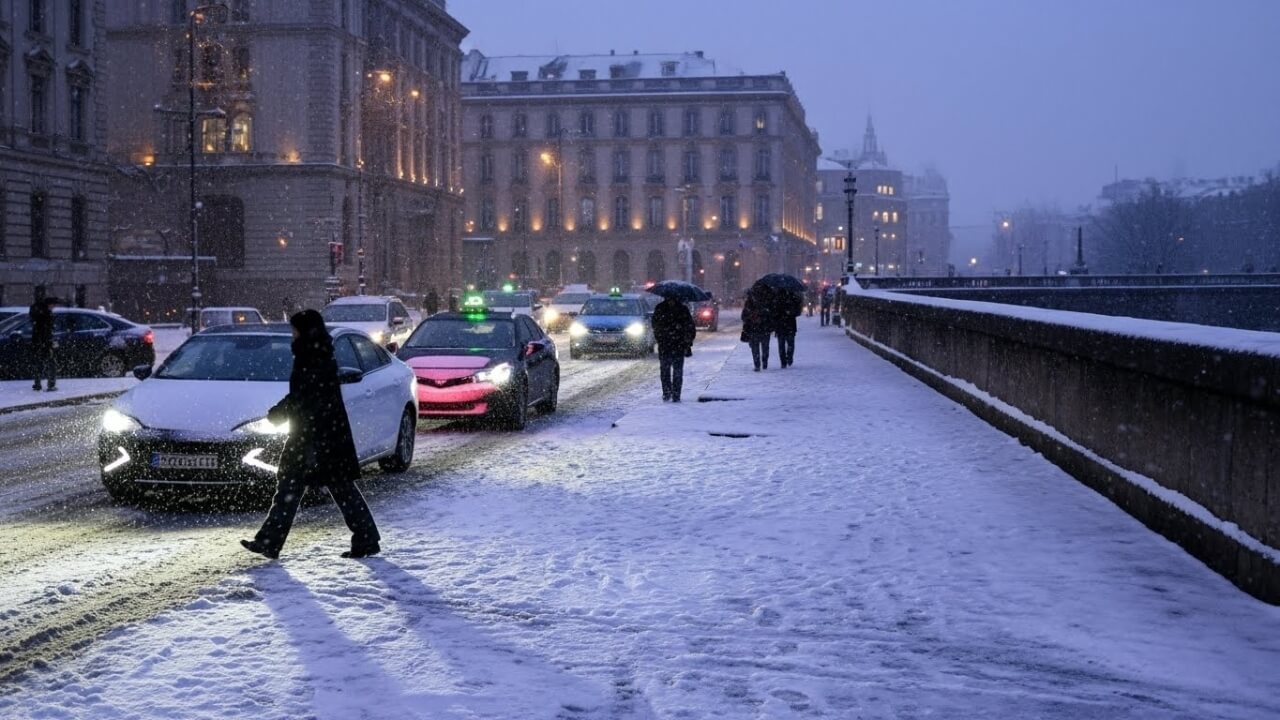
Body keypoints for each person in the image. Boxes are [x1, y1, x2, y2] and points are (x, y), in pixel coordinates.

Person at [241, 310, 381, 560]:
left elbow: (306, 396)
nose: (292, 335)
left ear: (305, 331)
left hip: (314, 437)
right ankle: (365, 538)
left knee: (302, 488)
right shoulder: (318, 353)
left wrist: (280, 412)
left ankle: (271, 541)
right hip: (321, 435)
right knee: (326, 488)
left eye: (294, 330)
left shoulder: (312, 357)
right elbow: (307, 395)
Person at [651, 295, 696, 402]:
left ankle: (672, 394)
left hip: (672, 345)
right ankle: (671, 394)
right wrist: (687, 341)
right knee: (671, 371)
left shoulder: (661, 308)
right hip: (672, 345)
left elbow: (655, 325)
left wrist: (661, 336)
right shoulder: (682, 309)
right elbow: (690, 327)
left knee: (671, 371)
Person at [740, 287, 774, 371]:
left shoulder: (749, 304)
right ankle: (764, 363)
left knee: (755, 348)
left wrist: (751, 318)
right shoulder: (765, 302)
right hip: (764, 329)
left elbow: (743, 316)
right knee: (765, 347)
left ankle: (757, 365)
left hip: (754, 329)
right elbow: (770, 316)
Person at [29, 297, 59, 391]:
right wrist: (49, 342)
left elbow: (37, 327)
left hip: (37, 342)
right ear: (49, 304)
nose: (54, 307)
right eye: (53, 305)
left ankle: (37, 384)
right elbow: (47, 330)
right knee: (52, 364)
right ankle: (51, 385)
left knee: (39, 363)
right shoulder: (46, 314)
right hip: (45, 342)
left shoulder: (37, 313)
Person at [771, 289, 803, 368]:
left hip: (781, 325)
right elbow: (798, 311)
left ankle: (783, 361)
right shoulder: (792, 297)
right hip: (789, 324)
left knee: (782, 345)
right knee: (790, 343)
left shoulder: (776, 298)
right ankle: (789, 358)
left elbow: (773, 313)